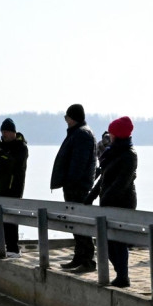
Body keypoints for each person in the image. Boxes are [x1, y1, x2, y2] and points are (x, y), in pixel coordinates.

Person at [86, 116, 137, 287]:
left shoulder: (129, 155)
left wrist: (106, 199)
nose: (110, 136)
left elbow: (122, 183)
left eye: (112, 133)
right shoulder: (111, 152)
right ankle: (120, 273)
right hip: (108, 201)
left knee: (118, 241)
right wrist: (92, 196)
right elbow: (104, 178)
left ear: (119, 135)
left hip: (123, 203)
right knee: (107, 241)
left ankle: (123, 276)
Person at [50, 103, 98, 272]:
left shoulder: (82, 134)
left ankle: (88, 261)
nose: (65, 120)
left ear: (73, 118)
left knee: (80, 223)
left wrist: (71, 181)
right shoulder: (77, 133)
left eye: (66, 117)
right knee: (75, 224)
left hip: (78, 187)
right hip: (73, 185)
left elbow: (79, 163)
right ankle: (79, 257)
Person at [0, 117, 29, 257]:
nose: (4, 134)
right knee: (3, 218)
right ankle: (6, 247)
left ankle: (14, 249)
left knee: (12, 219)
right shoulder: (3, 146)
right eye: (2, 132)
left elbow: (11, 161)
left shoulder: (21, 147)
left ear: (13, 132)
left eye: (6, 132)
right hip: (3, 186)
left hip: (15, 188)